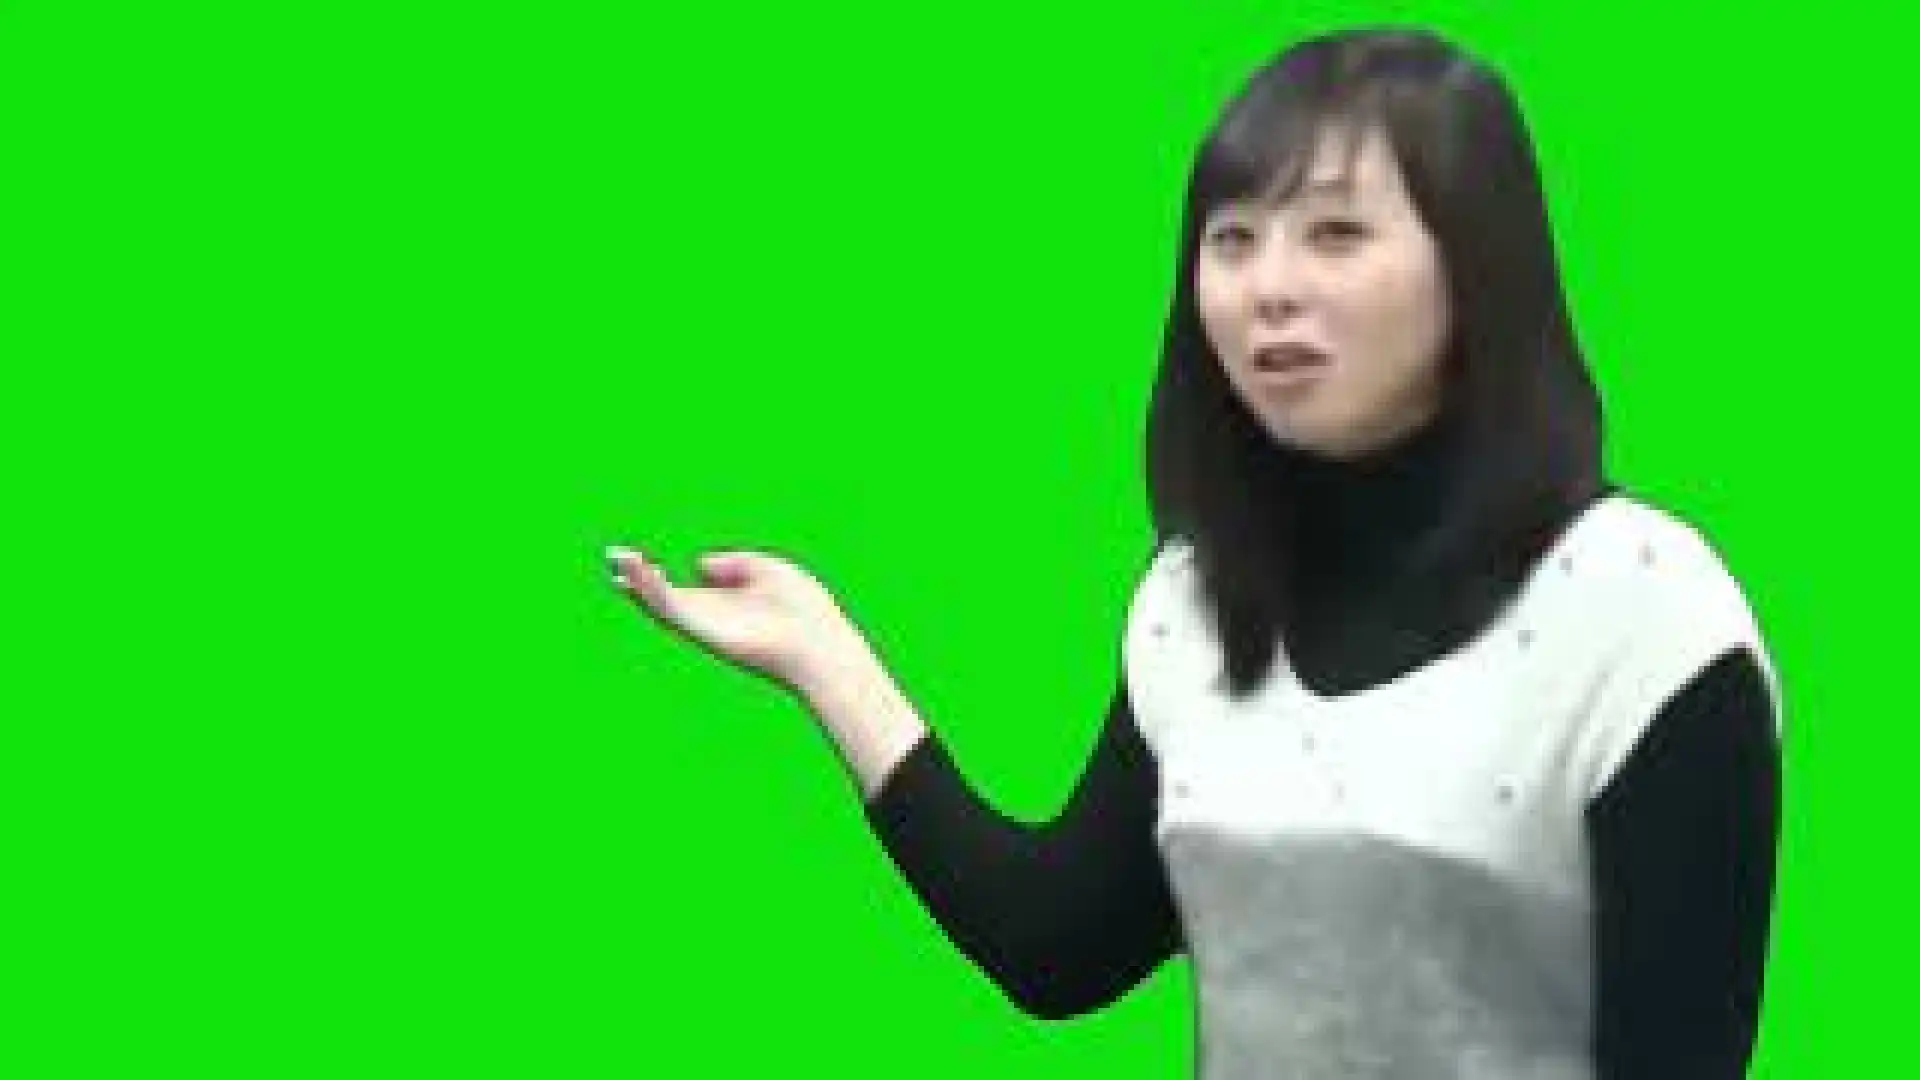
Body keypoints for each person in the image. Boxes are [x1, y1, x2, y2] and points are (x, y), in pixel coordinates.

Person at [607, 26, 1783, 1080]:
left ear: (1478, 268)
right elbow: (1058, 948)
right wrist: (825, 657)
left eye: (1336, 234)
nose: (1270, 288)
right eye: (1233, 239)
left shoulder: (1642, 618)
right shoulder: (1197, 604)